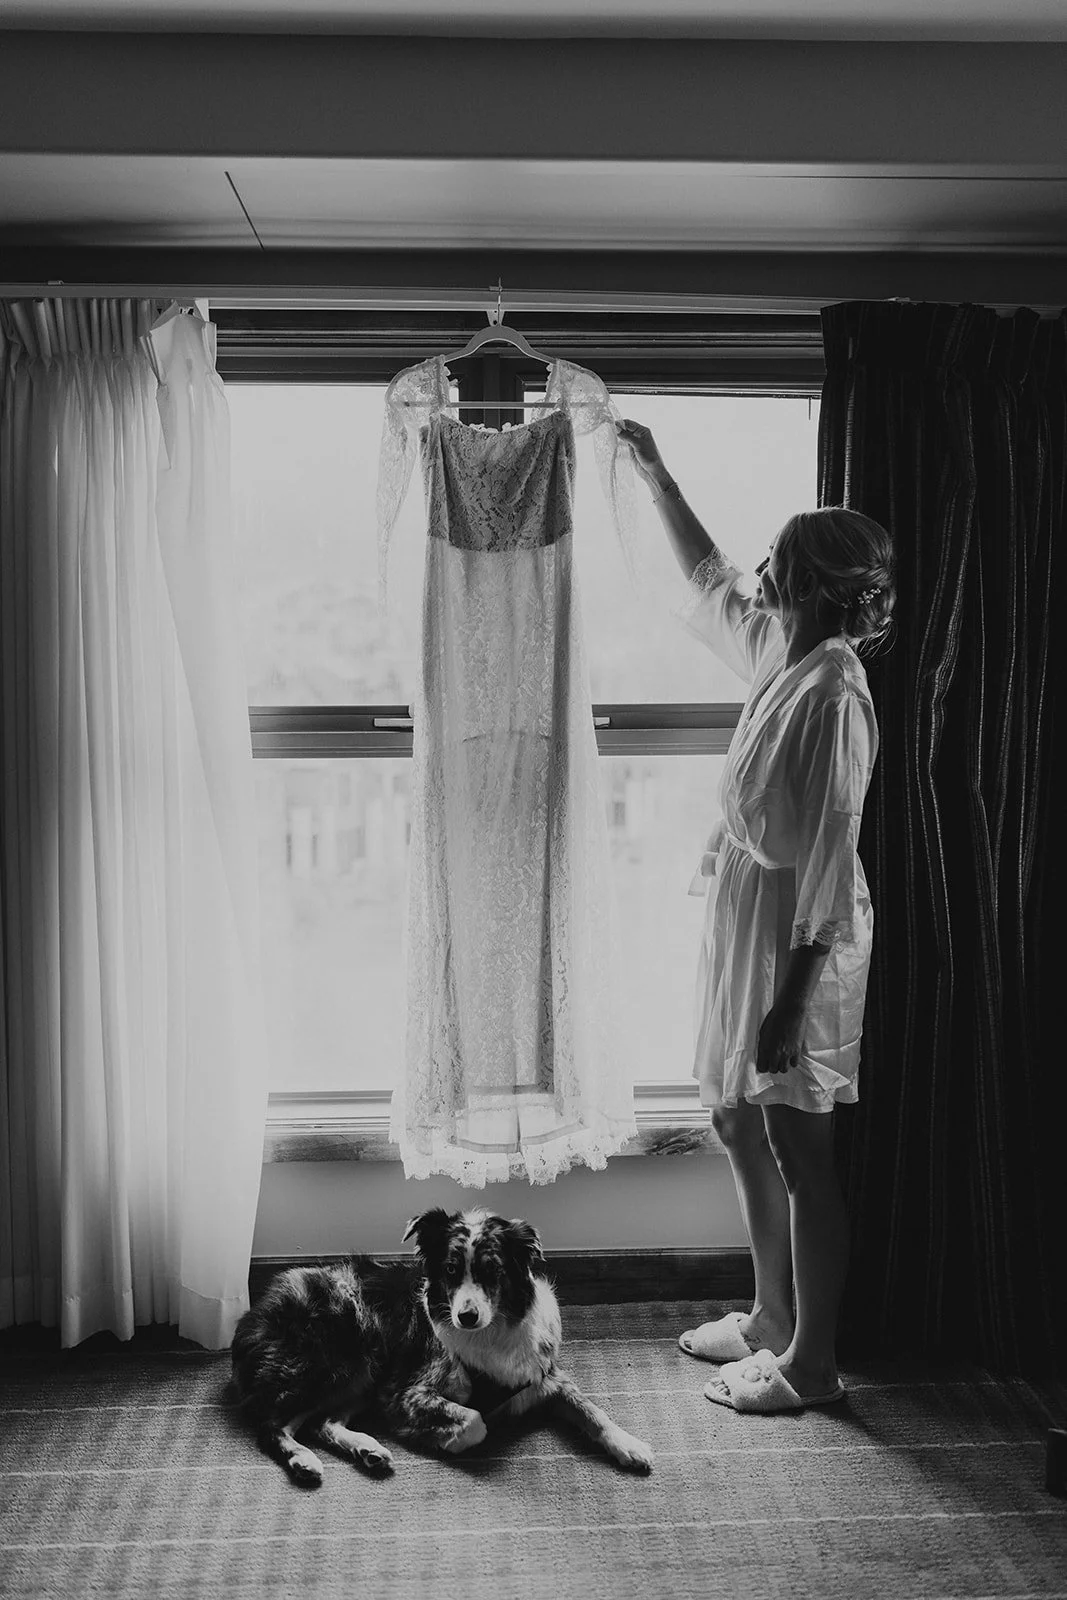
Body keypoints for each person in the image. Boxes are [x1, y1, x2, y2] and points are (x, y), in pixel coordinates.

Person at [616, 417, 895, 1414]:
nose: (761, 568)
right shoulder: (782, 649)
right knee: (733, 1116)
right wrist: (655, 474)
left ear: (812, 581)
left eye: (777, 557)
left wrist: (790, 1000)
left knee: (799, 1147)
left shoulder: (834, 694)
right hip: (746, 915)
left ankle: (812, 1364)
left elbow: (827, 854)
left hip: (800, 937)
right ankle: (771, 1315)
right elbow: (711, 580)